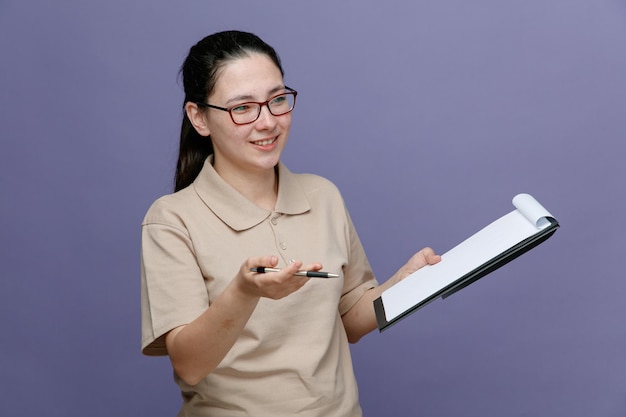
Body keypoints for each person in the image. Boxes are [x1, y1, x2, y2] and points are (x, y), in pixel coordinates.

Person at [140, 30, 441, 417]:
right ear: (199, 117)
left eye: (278, 100)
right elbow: (190, 365)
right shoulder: (172, 221)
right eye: (243, 108)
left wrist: (404, 284)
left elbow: (349, 319)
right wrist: (245, 293)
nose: (267, 122)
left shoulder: (323, 195)